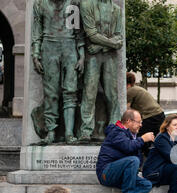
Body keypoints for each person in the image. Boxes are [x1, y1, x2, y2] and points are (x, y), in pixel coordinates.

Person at [31, 0, 85, 144]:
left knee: (70, 91)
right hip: (49, 47)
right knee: (51, 93)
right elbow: (37, 31)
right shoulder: (40, 4)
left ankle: (69, 132)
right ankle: (51, 131)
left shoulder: (72, 3)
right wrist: (35, 54)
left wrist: (82, 56)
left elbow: (78, 32)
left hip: (69, 46)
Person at [79, 0, 123, 142]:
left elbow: (119, 38)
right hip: (92, 58)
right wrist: (112, 44)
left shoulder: (116, 9)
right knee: (89, 93)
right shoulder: (86, 5)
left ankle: (114, 129)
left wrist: (100, 47)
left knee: (112, 94)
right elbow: (91, 34)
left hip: (108, 56)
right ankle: (86, 130)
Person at [96, 109, 154, 193]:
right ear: (128, 121)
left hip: (122, 175)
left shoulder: (132, 136)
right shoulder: (116, 132)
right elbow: (128, 147)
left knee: (147, 185)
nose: (141, 125)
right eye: (139, 122)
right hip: (106, 173)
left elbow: (138, 161)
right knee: (133, 160)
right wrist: (142, 139)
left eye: (141, 122)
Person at [126, 72, 166, 156]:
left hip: (152, 117)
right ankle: (148, 158)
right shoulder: (136, 88)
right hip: (157, 115)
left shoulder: (130, 91)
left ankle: (143, 160)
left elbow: (125, 109)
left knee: (139, 138)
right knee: (145, 140)